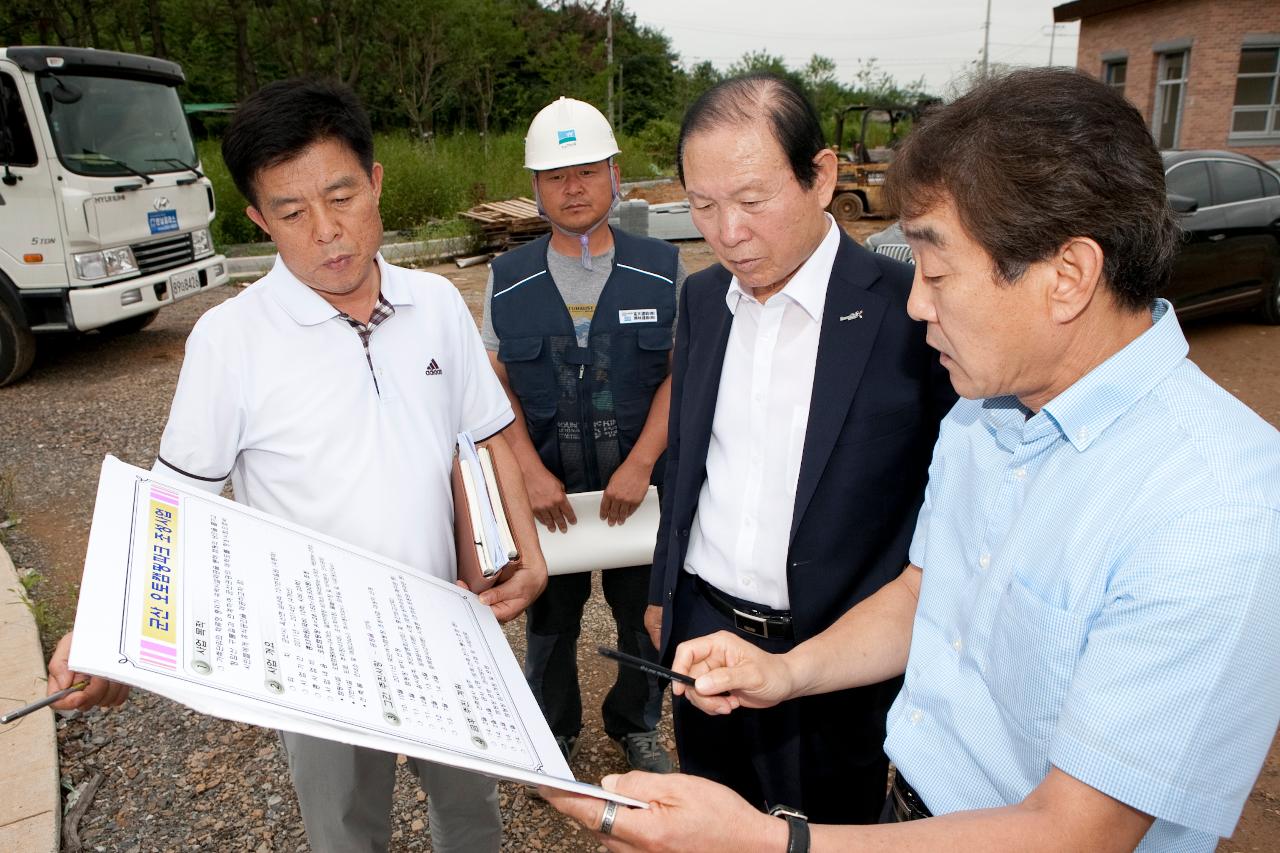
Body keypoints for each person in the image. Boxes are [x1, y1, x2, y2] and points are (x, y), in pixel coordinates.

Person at [543, 67, 1280, 852]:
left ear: (1068, 276)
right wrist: (785, 672)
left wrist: (771, 843)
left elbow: (1077, 833)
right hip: (908, 809)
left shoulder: (1218, 509)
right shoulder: (984, 416)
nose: (919, 304)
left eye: (937, 273)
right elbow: (924, 591)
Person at [46, 78, 548, 853]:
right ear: (256, 219)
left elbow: (487, 434)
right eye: (291, 213)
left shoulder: (439, 305)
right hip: (317, 658)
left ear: (376, 183)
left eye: (342, 195)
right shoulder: (230, 340)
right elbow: (173, 507)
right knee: (346, 829)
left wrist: (532, 553)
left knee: (472, 811)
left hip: (447, 623)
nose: (327, 231)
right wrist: (102, 634)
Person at [640, 73, 954, 824]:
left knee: (825, 831)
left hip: (837, 659)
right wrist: (663, 592)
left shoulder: (910, 310)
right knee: (709, 825)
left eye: (752, 201)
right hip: (705, 638)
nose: (727, 232)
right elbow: (686, 458)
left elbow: (942, 494)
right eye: (703, 207)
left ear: (822, 176)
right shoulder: (701, 301)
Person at [479, 96, 686, 773]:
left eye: (588, 172)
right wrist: (529, 474)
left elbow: (678, 375)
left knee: (642, 616)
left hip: (638, 491)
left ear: (615, 175)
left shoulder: (662, 268)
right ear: (534, 187)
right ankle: (553, 731)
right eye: (557, 176)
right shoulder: (505, 281)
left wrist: (643, 460)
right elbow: (493, 387)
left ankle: (635, 722)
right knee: (550, 622)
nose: (573, 188)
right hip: (547, 495)